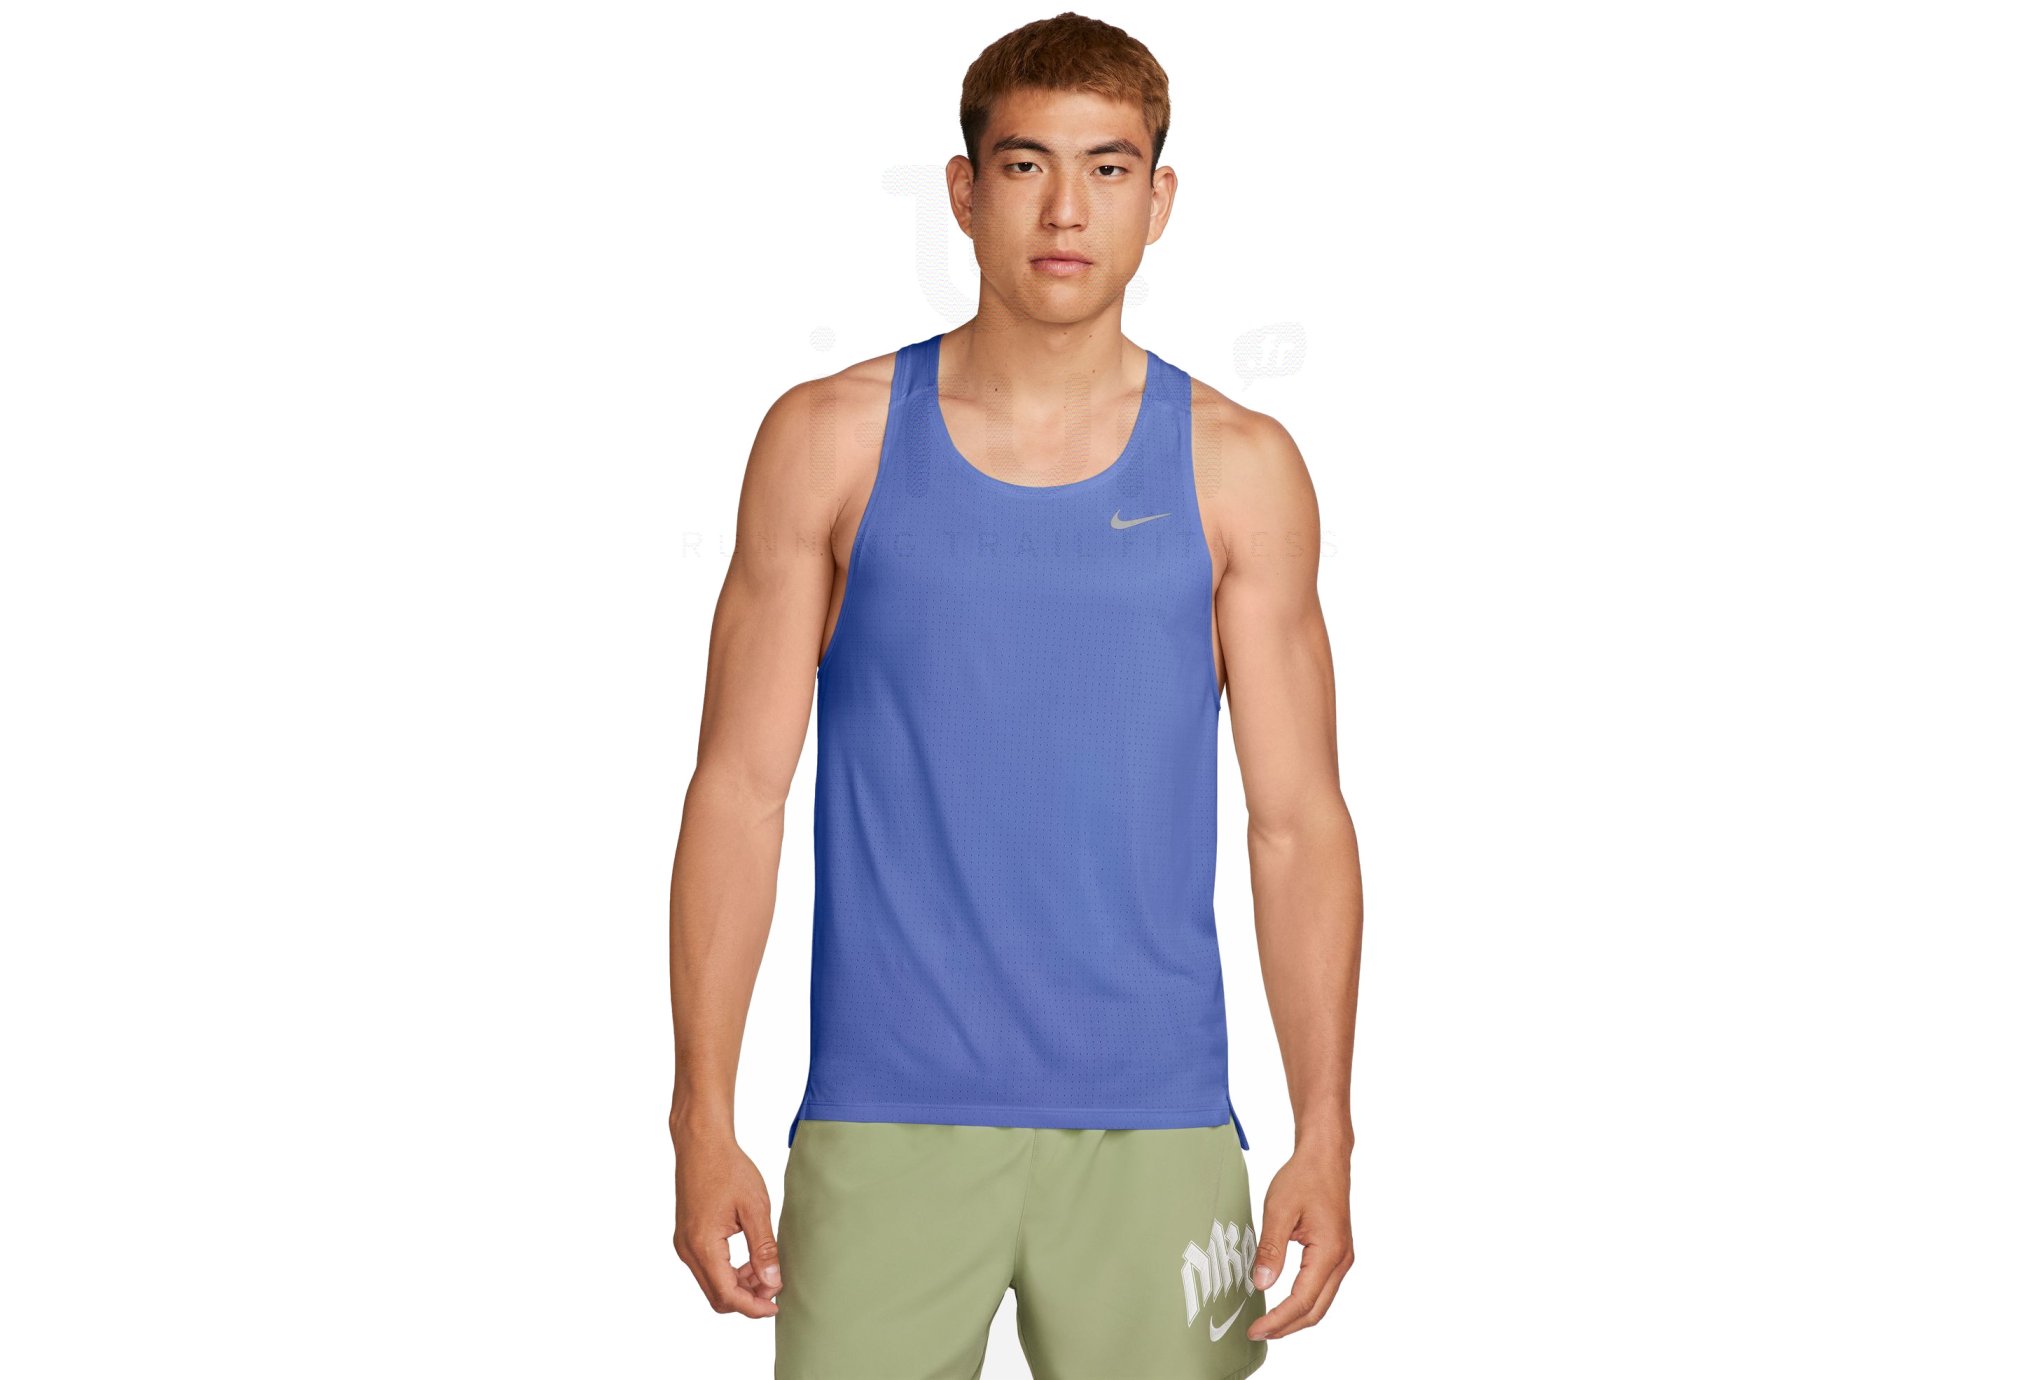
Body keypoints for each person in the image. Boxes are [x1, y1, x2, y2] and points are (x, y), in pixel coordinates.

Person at [668, 13, 1362, 1378]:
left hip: (1157, 1127)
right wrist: (700, 1118)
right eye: (1026, 163)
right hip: (883, 1119)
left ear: (1159, 200)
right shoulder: (827, 441)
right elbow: (738, 793)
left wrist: (1325, 1132)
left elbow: (1297, 824)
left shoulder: (1238, 466)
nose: (1064, 210)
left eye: (1108, 169)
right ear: (964, 190)